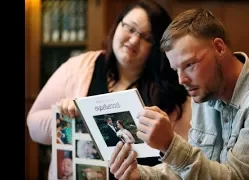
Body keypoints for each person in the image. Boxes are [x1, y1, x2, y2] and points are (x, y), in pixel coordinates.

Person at [109, 8, 249, 180]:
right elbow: (192, 170)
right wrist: (140, 175)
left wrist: (170, 144)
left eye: (189, 65)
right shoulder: (204, 90)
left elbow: (236, 177)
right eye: (176, 70)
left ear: (219, 48)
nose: (182, 80)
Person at [26, 0, 192, 179]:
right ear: (117, 26)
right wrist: (67, 118)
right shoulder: (78, 68)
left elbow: (185, 160)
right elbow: (33, 125)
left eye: (147, 38)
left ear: (157, 47)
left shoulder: (172, 92)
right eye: (130, 28)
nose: (134, 40)